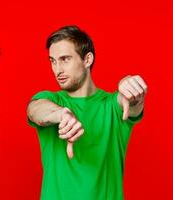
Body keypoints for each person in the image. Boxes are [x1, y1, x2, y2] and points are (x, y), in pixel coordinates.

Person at [27, 25, 147, 199]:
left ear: (87, 59)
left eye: (65, 59)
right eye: (52, 61)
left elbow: (129, 102)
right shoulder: (52, 100)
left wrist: (131, 89)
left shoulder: (112, 105)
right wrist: (60, 114)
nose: (57, 69)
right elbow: (35, 109)